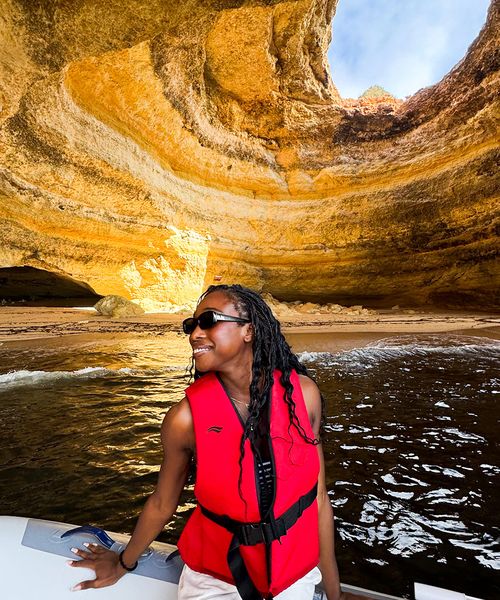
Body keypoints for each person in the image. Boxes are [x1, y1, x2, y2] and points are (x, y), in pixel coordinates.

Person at [68, 284, 353, 599]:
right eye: (191, 326)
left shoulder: (304, 394)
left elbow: (318, 501)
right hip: (215, 581)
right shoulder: (184, 420)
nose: (195, 334)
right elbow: (163, 503)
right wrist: (123, 562)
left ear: (249, 330)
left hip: (293, 575)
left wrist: (335, 593)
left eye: (209, 321)